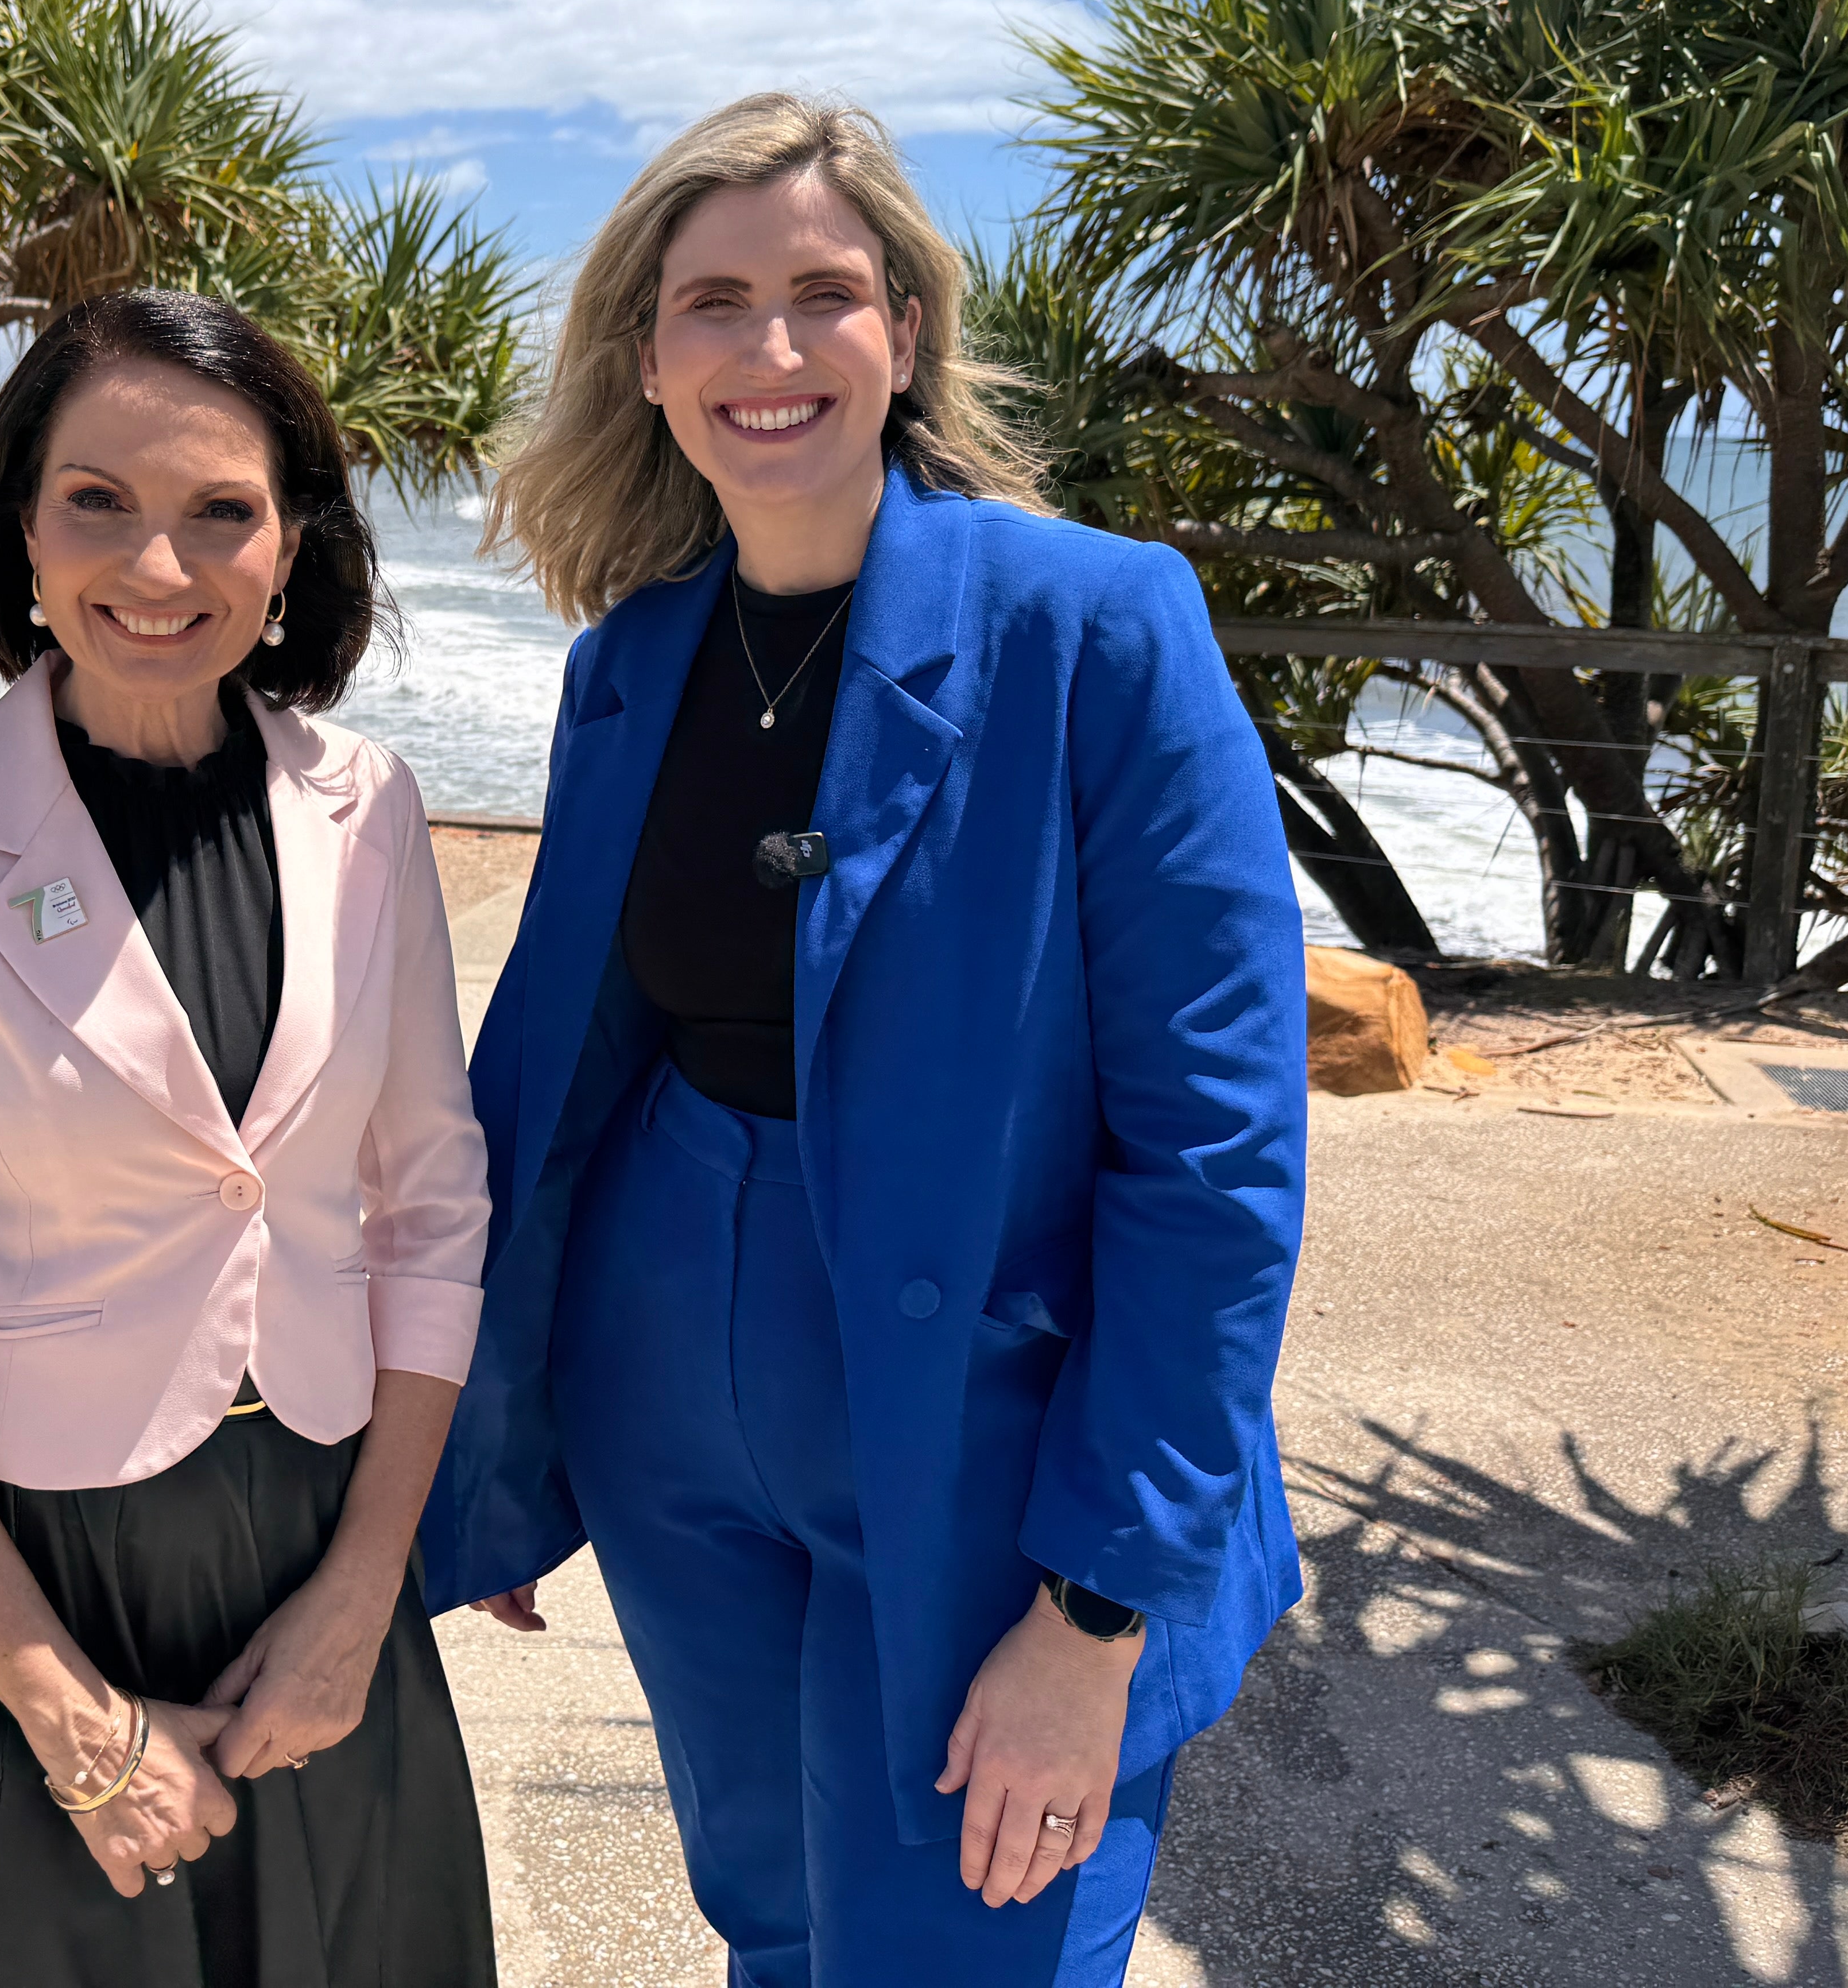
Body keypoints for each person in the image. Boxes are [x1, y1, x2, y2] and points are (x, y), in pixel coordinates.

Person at [419, 95, 1307, 1986]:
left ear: (905, 330)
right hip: (664, 1367)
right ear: (646, 360)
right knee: (778, 1917)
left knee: (964, 1944)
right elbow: (562, 1058)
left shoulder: (1099, 628)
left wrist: (1096, 1608)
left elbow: (1217, 1155)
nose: (772, 346)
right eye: (716, 301)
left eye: (824, 293)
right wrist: (497, 1435)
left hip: (995, 1426)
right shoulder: (629, 662)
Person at [0, 289, 500, 1988]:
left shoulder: (368, 811)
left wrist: (361, 1596)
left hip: (319, 1572)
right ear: (18, 520)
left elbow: (429, 1225)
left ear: (291, 544)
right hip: (12, 1594)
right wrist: (70, 1719)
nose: (156, 570)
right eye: (97, 500)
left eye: (218, 512)